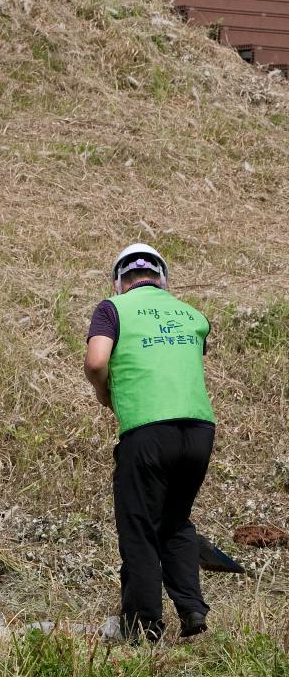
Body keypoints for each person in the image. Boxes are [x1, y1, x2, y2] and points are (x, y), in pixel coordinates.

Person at [84, 243, 215, 641]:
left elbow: (96, 360)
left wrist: (104, 393)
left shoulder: (113, 309)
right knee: (175, 521)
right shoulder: (194, 316)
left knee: (139, 525)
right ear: (163, 280)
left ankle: (144, 624)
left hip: (147, 431)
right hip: (199, 431)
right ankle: (192, 610)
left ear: (119, 282)